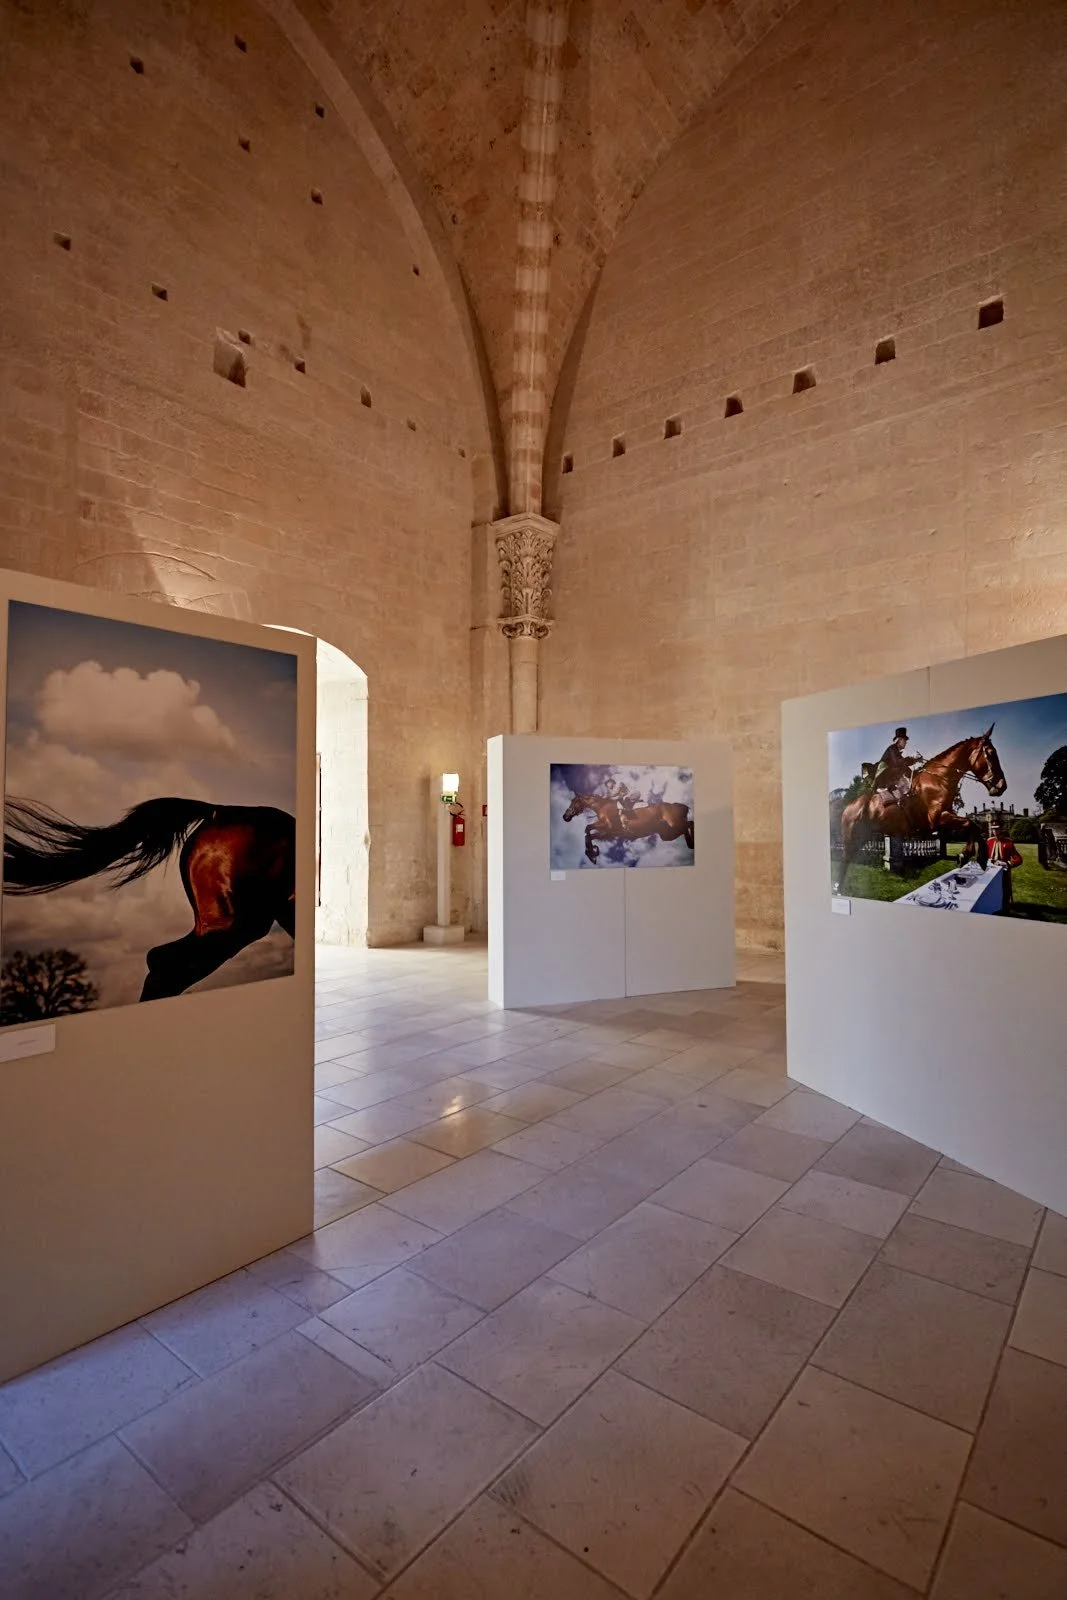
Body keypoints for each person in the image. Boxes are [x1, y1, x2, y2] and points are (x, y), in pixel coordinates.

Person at [871, 727, 922, 805]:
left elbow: (904, 766)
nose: (906, 743)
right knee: (903, 794)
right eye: (905, 740)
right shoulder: (892, 749)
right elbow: (898, 763)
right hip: (884, 780)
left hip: (892, 777)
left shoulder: (896, 751)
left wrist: (916, 770)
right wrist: (912, 758)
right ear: (900, 740)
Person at [986, 821, 1022, 910]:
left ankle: (1004, 907)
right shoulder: (989, 841)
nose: (995, 831)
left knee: (1005, 892)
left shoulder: (1008, 842)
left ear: (1001, 829)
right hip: (990, 871)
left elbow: (1018, 859)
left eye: (997, 829)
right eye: (993, 829)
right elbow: (985, 856)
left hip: (1003, 872)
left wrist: (1007, 863)